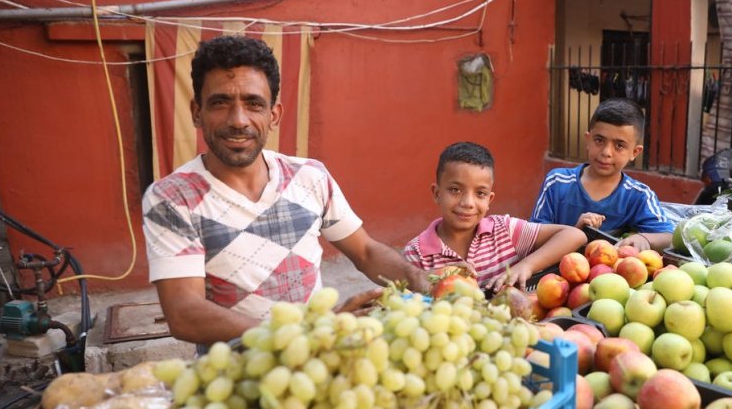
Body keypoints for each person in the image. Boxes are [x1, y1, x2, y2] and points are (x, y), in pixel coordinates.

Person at [142, 35, 429, 346]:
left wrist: (417, 279)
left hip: (317, 361)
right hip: (235, 380)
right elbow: (185, 313)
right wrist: (303, 330)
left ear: (273, 115)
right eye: (221, 103)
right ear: (197, 112)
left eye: (253, 104)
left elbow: (365, 251)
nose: (239, 120)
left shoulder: (310, 177)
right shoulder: (171, 199)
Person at [404, 142, 586, 292]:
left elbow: (574, 235)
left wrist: (526, 266)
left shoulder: (504, 230)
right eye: (455, 190)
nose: (468, 202)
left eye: (480, 193)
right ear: (437, 193)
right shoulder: (416, 254)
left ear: (490, 199)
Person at [529, 98, 674, 251]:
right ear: (588, 139)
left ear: (635, 152)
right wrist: (574, 232)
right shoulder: (557, 182)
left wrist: (643, 237)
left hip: (612, 272)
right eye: (599, 140)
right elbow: (532, 236)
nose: (606, 152)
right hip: (553, 271)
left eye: (619, 145)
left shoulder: (639, 195)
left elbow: (668, 236)